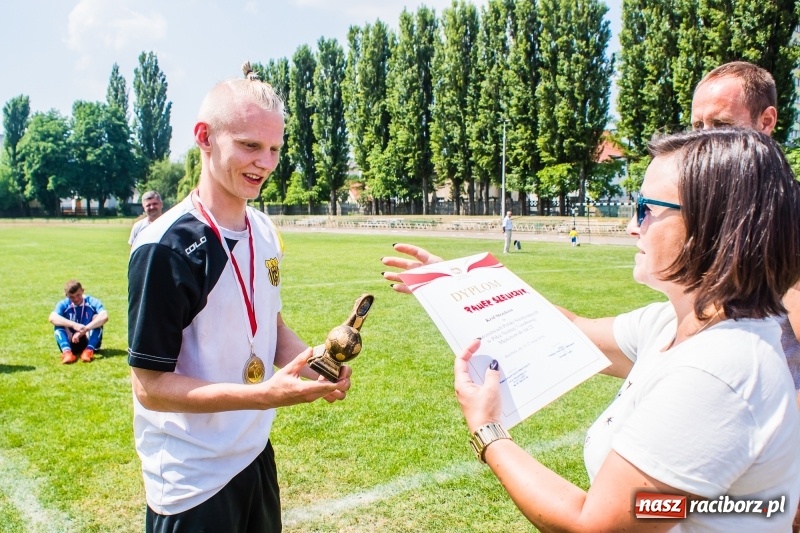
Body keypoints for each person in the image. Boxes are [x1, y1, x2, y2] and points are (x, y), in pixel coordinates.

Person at [382, 129, 800, 531]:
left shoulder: (719, 369)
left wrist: (487, 430)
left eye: (647, 209)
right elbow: (568, 330)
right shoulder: (674, 324)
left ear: (714, 225)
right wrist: (460, 284)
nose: (633, 226)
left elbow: (595, 524)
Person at [127, 64, 351, 532]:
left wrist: (316, 366)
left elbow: (272, 327)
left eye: (274, 149)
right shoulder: (165, 247)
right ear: (205, 137)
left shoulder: (264, 229)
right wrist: (262, 394)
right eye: (250, 145)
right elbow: (149, 387)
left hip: (253, 454)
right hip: (192, 480)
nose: (265, 163)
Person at [690, 61, 800, 402]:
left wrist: (784, 425)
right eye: (697, 125)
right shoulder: (709, 207)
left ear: (766, 121)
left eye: (721, 124)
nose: (704, 137)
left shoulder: (785, 213)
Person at [49, 280, 108, 364]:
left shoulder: (92, 301)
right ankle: (67, 353)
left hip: (88, 338)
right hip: (71, 340)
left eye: (78, 295)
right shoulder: (63, 304)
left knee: (96, 318)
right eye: (72, 297)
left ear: (83, 291)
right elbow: (52, 317)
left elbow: (104, 316)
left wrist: (85, 329)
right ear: (66, 295)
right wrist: (73, 325)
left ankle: (89, 351)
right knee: (58, 322)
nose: (76, 299)